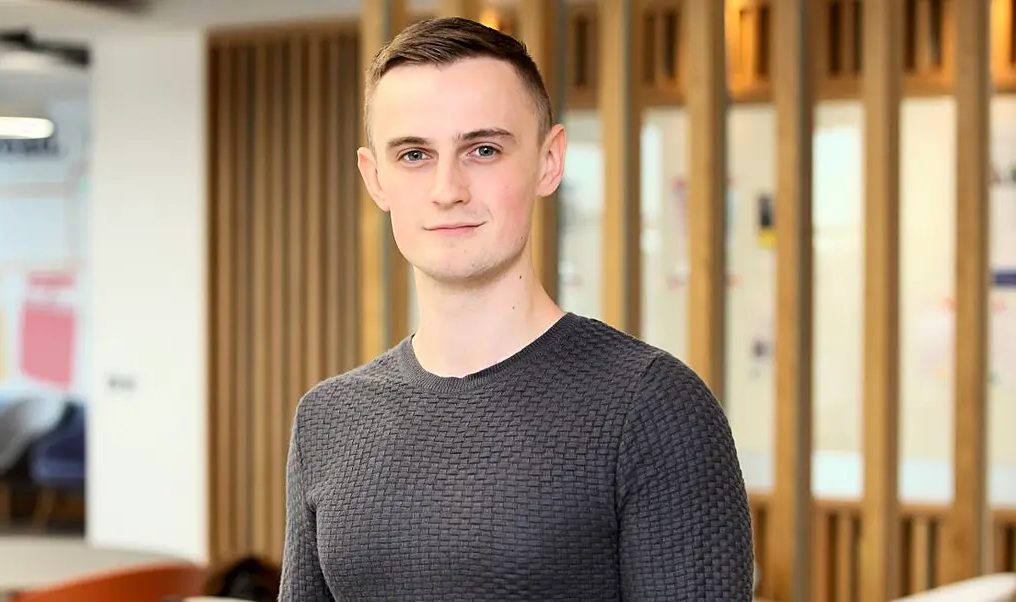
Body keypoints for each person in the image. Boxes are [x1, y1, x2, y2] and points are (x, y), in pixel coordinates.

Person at [280, 16, 753, 601]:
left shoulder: (652, 408)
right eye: (413, 155)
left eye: (482, 150)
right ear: (375, 178)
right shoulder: (329, 420)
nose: (447, 188)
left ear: (548, 161)